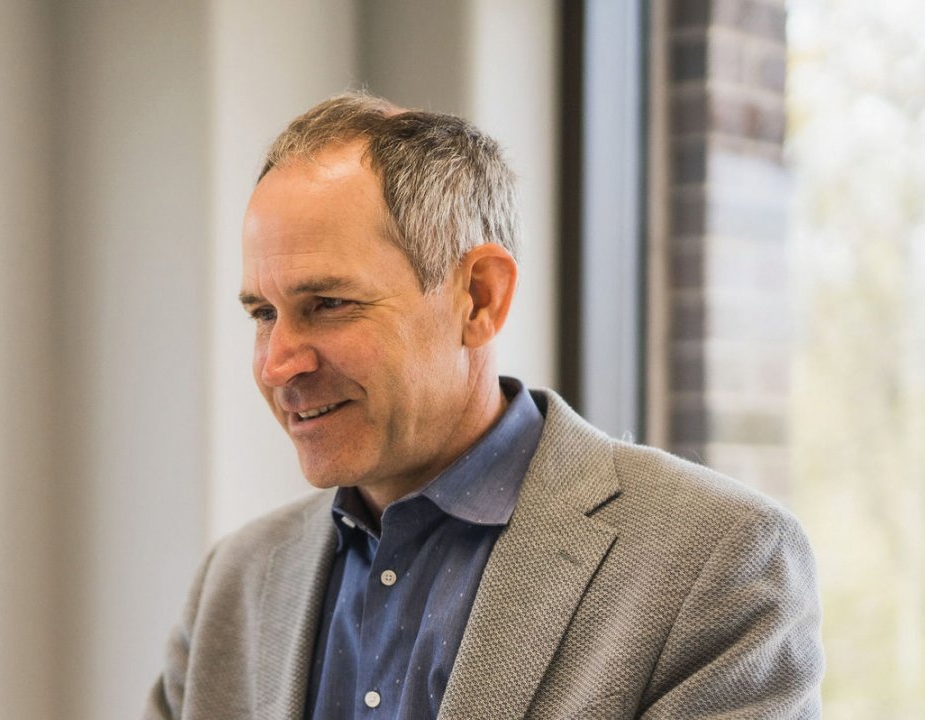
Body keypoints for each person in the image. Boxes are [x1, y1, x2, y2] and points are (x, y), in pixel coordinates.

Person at [143, 92, 823, 720]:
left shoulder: (716, 557)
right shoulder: (233, 584)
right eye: (263, 313)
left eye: (328, 305)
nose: (276, 363)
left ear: (480, 298)